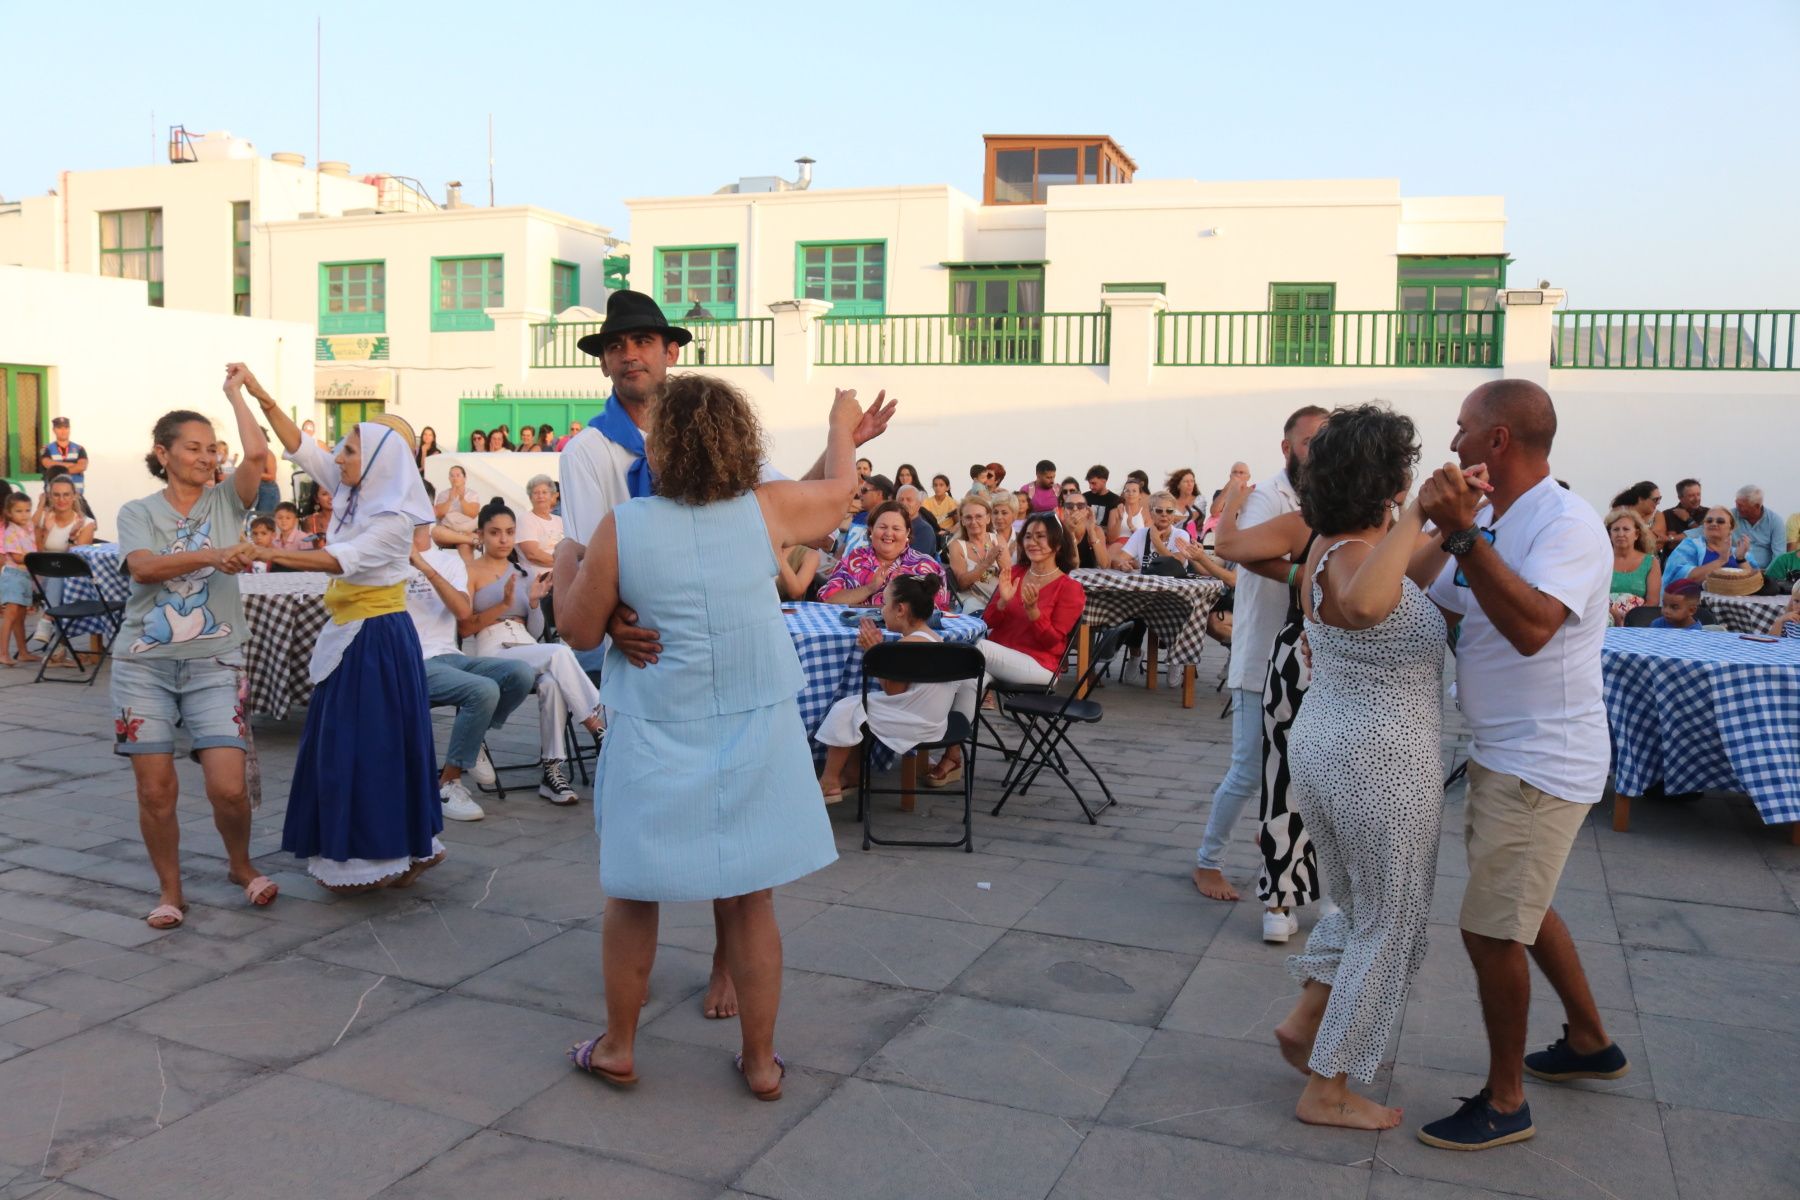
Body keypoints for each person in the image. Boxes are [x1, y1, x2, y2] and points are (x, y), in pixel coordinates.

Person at [555, 288, 897, 1023]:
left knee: (712, 859)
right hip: (654, 646)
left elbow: (780, 501)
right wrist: (613, 620)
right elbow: (594, 553)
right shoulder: (589, 450)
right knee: (706, 863)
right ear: (606, 360)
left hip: (682, 653)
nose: (629, 353)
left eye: (643, 340)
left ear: (670, 351)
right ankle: (748, 1038)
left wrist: (842, 448)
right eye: (617, 344)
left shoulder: (703, 442)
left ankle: (689, 989)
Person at [1412, 378, 1629, 1151]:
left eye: (1464, 428)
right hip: (1505, 749)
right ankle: (1589, 1041)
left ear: (1499, 440)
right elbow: (1431, 597)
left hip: (1544, 758)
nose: (1455, 440)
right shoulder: (1495, 517)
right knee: (1522, 910)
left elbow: (1535, 626)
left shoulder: (1566, 523)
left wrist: (1464, 536)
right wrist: (1428, 531)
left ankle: (1506, 1102)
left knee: (1491, 929)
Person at [1262, 403, 1446, 1132]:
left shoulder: (1334, 547)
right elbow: (1370, 601)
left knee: (1363, 910)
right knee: (1392, 924)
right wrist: (1419, 511)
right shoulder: (1347, 557)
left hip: (1332, 749)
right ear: (1386, 478)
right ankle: (1328, 1086)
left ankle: (1308, 1020)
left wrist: (1446, 527)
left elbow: (1406, 575)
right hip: (1381, 761)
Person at [248, 369, 445, 893]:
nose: (338, 457)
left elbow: (343, 559)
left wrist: (269, 552)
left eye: (350, 451)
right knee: (363, 743)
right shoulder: (355, 490)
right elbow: (300, 447)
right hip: (354, 634)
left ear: (378, 462)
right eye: (342, 449)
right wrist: (259, 394)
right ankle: (401, 848)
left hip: (375, 638)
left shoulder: (394, 520)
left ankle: (371, 857)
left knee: (366, 746)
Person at [110, 366, 276, 928]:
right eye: (194, 448)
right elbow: (145, 569)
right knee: (156, 790)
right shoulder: (138, 512)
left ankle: (240, 865)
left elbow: (256, 458)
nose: (207, 457)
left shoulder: (229, 501)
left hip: (216, 662)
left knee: (228, 788)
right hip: (144, 666)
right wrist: (211, 555)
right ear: (163, 454)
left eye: (212, 448)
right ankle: (171, 891)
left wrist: (237, 393)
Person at [1196, 405, 1328, 939]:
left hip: (1307, 662)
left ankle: (1278, 846)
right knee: (1250, 767)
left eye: (1326, 441)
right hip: (1260, 658)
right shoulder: (1270, 498)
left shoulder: (1321, 498)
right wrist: (1308, 570)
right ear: (1287, 447)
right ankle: (1207, 859)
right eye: (1308, 441)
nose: (1317, 451)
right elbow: (1244, 554)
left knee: (1303, 775)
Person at [925, 512, 1086, 788]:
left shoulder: (1069, 588)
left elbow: (1054, 643)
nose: (1032, 542)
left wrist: (1034, 611)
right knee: (969, 678)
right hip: (996, 657)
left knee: (974, 649)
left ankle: (925, 722)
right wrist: (1002, 603)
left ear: (1057, 544)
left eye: (1041, 537)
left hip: (1041, 666)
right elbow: (988, 622)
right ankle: (952, 756)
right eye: (1028, 537)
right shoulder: (1017, 574)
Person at [463, 501, 601, 805]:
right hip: (493, 649)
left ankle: (552, 773)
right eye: (495, 532)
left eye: (510, 532)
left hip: (527, 645)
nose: (503, 539)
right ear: (481, 535)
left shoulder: (524, 573)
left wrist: (535, 603)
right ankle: (596, 722)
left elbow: (537, 631)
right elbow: (463, 627)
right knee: (560, 655)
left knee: (552, 682)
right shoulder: (469, 571)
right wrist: (502, 606)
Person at [406, 521, 537, 821]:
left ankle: (472, 741)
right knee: (483, 690)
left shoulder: (449, 562)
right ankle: (448, 784)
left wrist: (423, 565)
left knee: (520, 673)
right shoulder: (387, 560)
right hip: (411, 661)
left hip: (449, 655)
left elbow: (463, 612)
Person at [814, 576, 957, 802]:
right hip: (936, 722)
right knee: (858, 706)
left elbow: (894, 691)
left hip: (913, 722)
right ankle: (852, 773)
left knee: (846, 708)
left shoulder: (906, 647)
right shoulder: (934, 637)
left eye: (884, 604)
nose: (881, 610)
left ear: (900, 609)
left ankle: (830, 780)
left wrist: (875, 652)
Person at [818, 501, 951, 611]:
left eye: (896, 529)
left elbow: (938, 612)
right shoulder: (854, 559)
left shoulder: (926, 566)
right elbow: (829, 599)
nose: (888, 533)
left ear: (907, 532)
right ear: (871, 529)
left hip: (908, 640)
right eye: (882, 527)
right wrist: (869, 588)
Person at [27, 475, 99, 663]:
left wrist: (73, 537)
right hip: (40, 576)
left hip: (72, 578)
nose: (61, 500)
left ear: (75, 496)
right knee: (56, 576)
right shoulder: (43, 517)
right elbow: (34, 549)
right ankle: (55, 639)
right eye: (56, 495)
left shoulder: (86, 523)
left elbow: (75, 559)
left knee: (60, 573)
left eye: (66, 495)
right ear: (49, 496)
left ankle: (48, 620)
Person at [947, 495, 1005, 615]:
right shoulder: (956, 546)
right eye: (968, 517)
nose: (974, 522)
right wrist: (988, 562)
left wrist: (994, 565)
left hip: (999, 596)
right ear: (962, 520)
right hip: (973, 600)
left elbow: (1008, 574)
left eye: (979, 516)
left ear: (988, 518)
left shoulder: (998, 539)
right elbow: (962, 583)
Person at [1664, 506, 1749, 585]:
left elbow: (1753, 583)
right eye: (1709, 521)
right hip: (1697, 600)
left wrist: (1741, 559)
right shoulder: (1690, 546)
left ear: (1731, 528)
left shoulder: (1738, 552)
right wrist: (1721, 560)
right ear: (1703, 526)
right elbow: (1682, 578)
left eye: (1720, 521)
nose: (1714, 524)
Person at [1605, 507, 1662, 623]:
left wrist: (1630, 618)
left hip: (1639, 620)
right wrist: (1613, 615)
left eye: (1626, 529)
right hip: (1604, 617)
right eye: (1616, 529)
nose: (1620, 534)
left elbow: (1653, 602)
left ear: (1636, 534)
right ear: (1610, 534)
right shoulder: (1601, 561)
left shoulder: (1651, 562)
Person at [0, 494, 38, 666]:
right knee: (10, 616)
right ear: (9, 513)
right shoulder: (11, 531)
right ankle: (3, 652)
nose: (24, 514)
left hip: (24, 577)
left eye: (27, 510)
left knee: (20, 617)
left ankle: (23, 652)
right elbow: (16, 557)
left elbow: (36, 522)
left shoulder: (28, 527)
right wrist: (36, 558)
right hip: (14, 576)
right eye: (19, 511)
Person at [1116, 491, 1192, 572]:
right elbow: (1119, 560)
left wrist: (1156, 540)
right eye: (1159, 510)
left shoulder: (1181, 534)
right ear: (1151, 513)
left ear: (1173, 514)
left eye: (1169, 511)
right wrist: (1123, 565)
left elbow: (1177, 564)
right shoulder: (1141, 533)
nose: (1164, 514)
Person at [515, 475, 565, 580]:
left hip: (562, 576)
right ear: (530, 497)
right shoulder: (525, 519)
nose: (540, 496)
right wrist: (565, 563)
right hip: (540, 580)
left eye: (544, 492)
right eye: (536, 493)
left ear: (552, 496)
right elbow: (533, 555)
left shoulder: (559, 520)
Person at [1608, 481, 1668, 556]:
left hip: (1648, 559)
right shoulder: (1619, 512)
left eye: (1660, 498)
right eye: (1655, 499)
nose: (1658, 502)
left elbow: (1658, 545)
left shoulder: (1657, 515)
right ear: (1641, 499)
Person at [1729, 484, 1783, 568]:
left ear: (1757, 506)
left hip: (1765, 574)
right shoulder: (1729, 517)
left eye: (1741, 505)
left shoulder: (1775, 521)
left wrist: (1766, 576)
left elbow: (1779, 556)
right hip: (1735, 572)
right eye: (1736, 503)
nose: (1737, 507)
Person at [1057, 484, 1109, 569]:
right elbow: (1074, 566)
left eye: (1080, 506)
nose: (1075, 509)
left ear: (1087, 510)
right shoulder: (1056, 530)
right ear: (1064, 510)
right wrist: (1071, 532)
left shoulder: (1096, 530)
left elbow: (1105, 565)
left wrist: (1091, 532)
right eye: (1070, 506)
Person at [40, 417, 89, 493]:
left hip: (76, 495)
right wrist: (73, 465)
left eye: (66, 428)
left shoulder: (79, 449)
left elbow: (82, 466)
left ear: (69, 429)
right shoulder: (47, 449)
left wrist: (57, 470)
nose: (63, 431)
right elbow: (48, 464)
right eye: (59, 428)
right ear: (54, 430)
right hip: (54, 496)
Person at [1661, 478, 1703, 556]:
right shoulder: (1668, 514)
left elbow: (1706, 537)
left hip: (1700, 559)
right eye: (1691, 496)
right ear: (1680, 498)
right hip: (1674, 559)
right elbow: (1672, 545)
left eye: (1698, 494)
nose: (1697, 499)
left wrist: (1689, 520)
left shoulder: (1708, 513)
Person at [896, 484, 939, 554]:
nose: (904, 503)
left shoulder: (924, 530)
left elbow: (914, 560)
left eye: (909, 500)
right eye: (901, 500)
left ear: (919, 504)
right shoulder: (892, 526)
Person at [1106, 476, 1148, 548]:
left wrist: (1130, 525)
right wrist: (1119, 519)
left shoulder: (1146, 513)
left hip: (1137, 547)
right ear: (1123, 494)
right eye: (1127, 491)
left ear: (1140, 495)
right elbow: (1111, 540)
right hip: (1117, 547)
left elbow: (1147, 540)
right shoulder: (1114, 512)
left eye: (1134, 491)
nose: (1130, 494)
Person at [1083, 465, 1120, 534]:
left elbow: (1112, 530)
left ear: (1104, 481)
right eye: (1089, 483)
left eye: (1094, 483)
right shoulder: (1084, 497)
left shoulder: (1115, 500)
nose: (1090, 487)